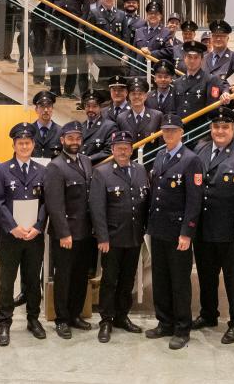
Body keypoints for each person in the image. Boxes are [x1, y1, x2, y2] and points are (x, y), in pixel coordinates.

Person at [193, 107, 234, 344]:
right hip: (203, 229)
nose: (220, 131)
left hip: (232, 232)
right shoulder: (200, 150)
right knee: (206, 276)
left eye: (225, 127)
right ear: (211, 128)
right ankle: (208, 314)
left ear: (233, 129)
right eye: (216, 127)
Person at [144, 114, 203, 350]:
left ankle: (181, 327)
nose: (168, 134)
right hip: (158, 229)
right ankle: (164, 322)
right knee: (161, 279)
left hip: (178, 232)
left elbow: (194, 200)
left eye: (173, 130)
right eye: (165, 130)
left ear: (181, 132)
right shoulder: (159, 156)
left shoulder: (191, 160)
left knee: (179, 281)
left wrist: (187, 232)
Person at [90, 130, 150, 342]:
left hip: (134, 237)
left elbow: (145, 203)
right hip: (112, 239)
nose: (123, 151)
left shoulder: (141, 170)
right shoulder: (102, 172)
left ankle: (122, 316)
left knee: (128, 280)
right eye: (119, 147)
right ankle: (106, 319)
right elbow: (97, 208)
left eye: (126, 147)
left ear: (131, 149)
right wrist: (102, 237)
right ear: (113, 149)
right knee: (110, 280)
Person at [0, 122, 48, 346]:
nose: (24, 146)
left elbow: (46, 203)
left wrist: (38, 226)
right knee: (7, 281)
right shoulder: (2, 170)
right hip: (10, 236)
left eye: (28, 142)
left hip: (34, 236)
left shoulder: (42, 171)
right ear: (14, 145)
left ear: (33, 144)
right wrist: (12, 227)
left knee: (33, 280)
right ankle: (5, 322)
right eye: (20, 143)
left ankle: (33, 319)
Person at [44, 121, 94, 338]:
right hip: (66, 234)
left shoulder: (86, 161)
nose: (75, 142)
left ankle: (75, 314)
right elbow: (54, 204)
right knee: (63, 277)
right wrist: (64, 233)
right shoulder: (56, 166)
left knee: (81, 276)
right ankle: (61, 318)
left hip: (86, 233)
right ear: (62, 140)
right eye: (70, 138)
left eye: (78, 138)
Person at [6, 0, 52, 83]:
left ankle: (39, 78)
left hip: (40, 17)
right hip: (22, 14)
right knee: (23, 39)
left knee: (39, 47)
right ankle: (22, 68)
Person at [48, 0, 89, 97]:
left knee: (73, 58)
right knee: (55, 57)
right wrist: (49, 22)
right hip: (57, 22)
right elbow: (48, 3)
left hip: (73, 23)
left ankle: (69, 90)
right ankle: (54, 88)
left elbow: (86, 7)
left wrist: (81, 26)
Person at [172, 40, 231, 137]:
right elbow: (173, 110)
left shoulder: (210, 80)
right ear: (184, 58)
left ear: (202, 60)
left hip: (200, 133)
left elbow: (212, 110)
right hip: (180, 133)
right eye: (189, 57)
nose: (192, 61)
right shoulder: (177, 82)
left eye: (196, 58)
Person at [86, 0, 130, 87]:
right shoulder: (94, 13)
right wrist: (89, 54)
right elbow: (89, 35)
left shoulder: (121, 14)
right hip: (99, 55)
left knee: (116, 84)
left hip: (116, 55)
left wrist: (125, 53)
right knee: (99, 84)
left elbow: (125, 36)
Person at [116, 77, 163, 149]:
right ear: (128, 96)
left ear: (145, 96)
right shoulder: (121, 118)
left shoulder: (157, 116)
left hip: (150, 158)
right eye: (133, 94)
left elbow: (161, 142)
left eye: (140, 94)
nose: (137, 97)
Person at [80, 89, 118, 164]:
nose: (91, 109)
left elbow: (109, 151)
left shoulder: (109, 126)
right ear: (84, 107)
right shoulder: (80, 127)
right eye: (88, 106)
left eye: (94, 106)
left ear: (100, 107)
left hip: (98, 168)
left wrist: (87, 159)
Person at [31, 90, 62, 160]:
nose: (45, 110)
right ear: (36, 109)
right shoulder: (29, 131)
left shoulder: (60, 131)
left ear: (52, 109)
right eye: (42, 106)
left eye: (48, 106)